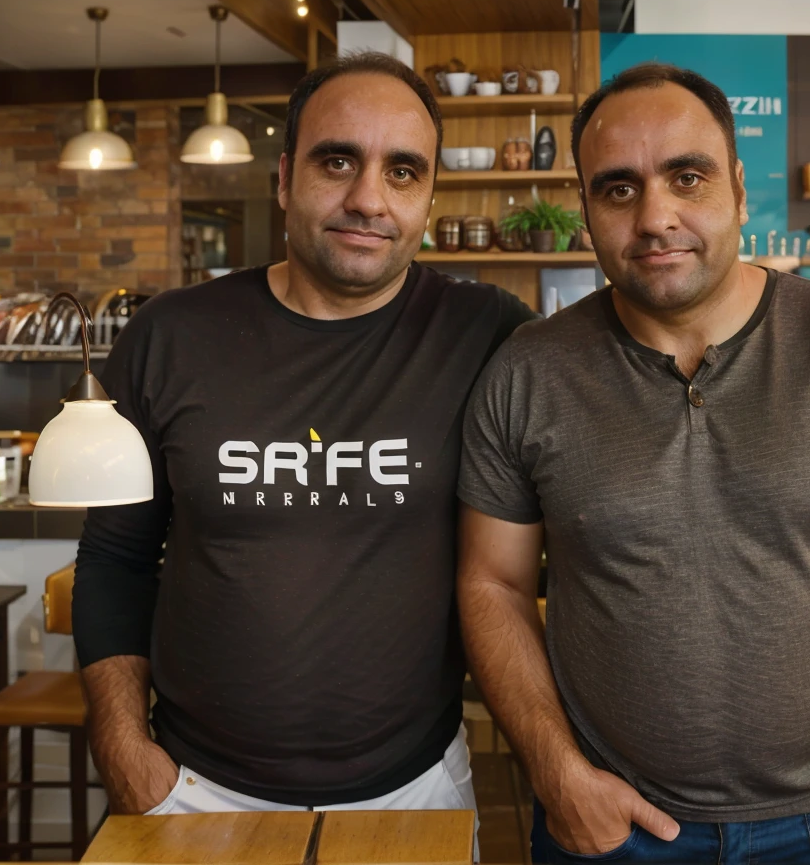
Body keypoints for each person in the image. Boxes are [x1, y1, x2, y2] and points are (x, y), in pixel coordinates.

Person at [456, 62, 810, 865]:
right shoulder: (528, 372)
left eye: (686, 177)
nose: (656, 216)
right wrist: (558, 776)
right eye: (618, 189)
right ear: (586, 206)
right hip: (609, 826)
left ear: (735, 183)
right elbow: (493, 584)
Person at [73, 52, 534, 823]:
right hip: (191, 793)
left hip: (415, 793)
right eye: (337, 161)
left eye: (402, 172)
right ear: (285, 177)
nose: (367, 199)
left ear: (427, 197)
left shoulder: (490, 335)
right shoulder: (170, 337)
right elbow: (116, 559)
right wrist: (125, 753)